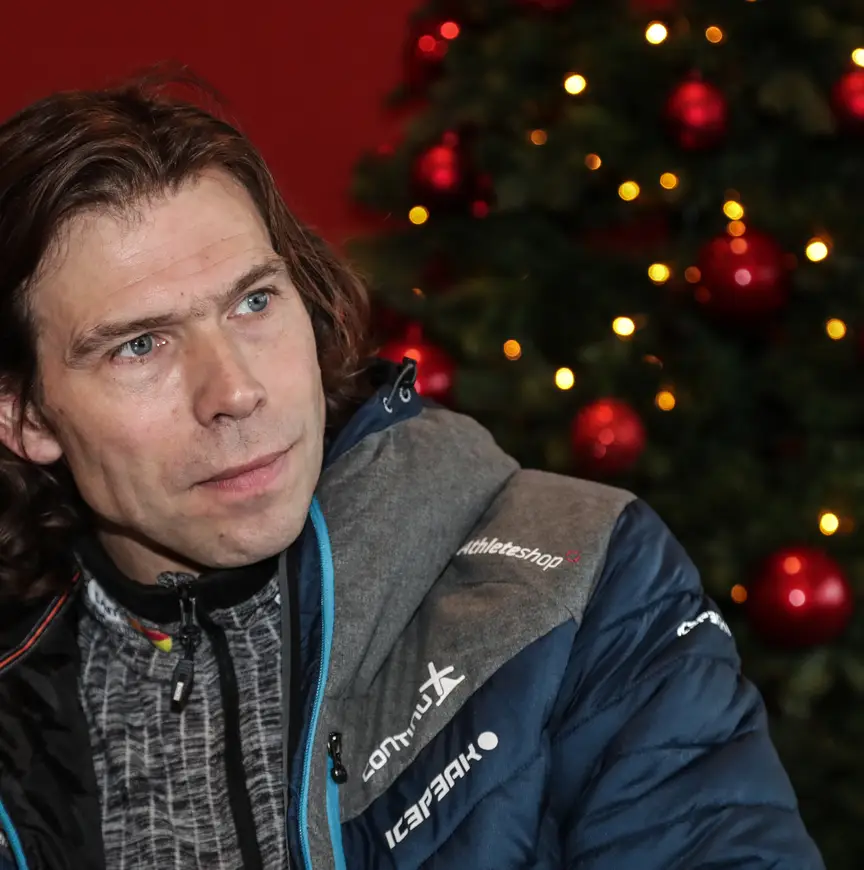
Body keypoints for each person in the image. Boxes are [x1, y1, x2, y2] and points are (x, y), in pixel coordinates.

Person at [0, 76, 824, 870]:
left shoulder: (578, 578)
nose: (237, 391)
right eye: (140, 346)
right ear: (25, 416)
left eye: (254, 302)